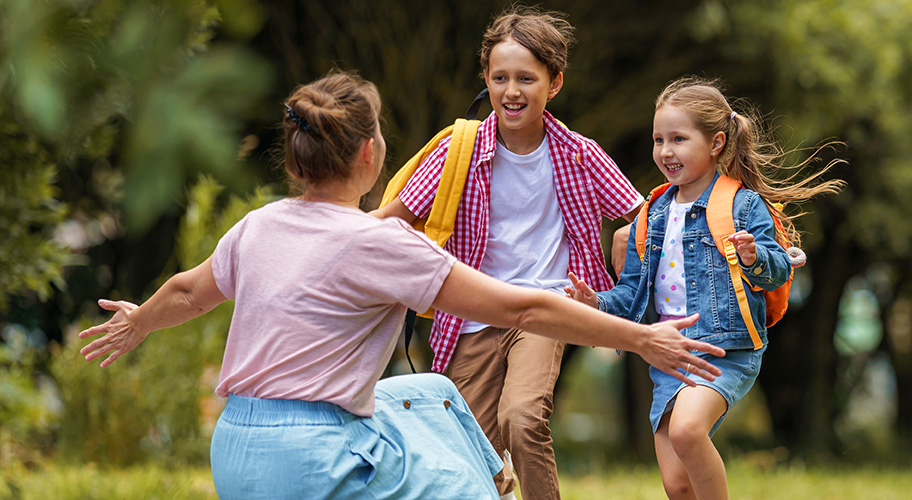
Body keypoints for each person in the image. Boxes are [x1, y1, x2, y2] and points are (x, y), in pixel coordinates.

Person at [78, 69, 726, 500]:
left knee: (433, 393)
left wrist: (139, 322)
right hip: (313, 460)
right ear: (369, 154)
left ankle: (497, 479)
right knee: (458, 490)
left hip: (236, 450)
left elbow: (189, 293)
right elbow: (526, 308)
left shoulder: (260, 226)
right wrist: (641, 338)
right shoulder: (380, 245)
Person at [374, 7, 643, 500]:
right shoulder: (460, 152)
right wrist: (320, 242)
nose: (511, 91)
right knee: (467, 448)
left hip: (544, 309)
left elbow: (646, 217)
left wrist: (629, 240)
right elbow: (393, 219)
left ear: (554, 83)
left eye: (526, 78)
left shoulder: (581, 155)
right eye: (500, 78)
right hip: (471, 316)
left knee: (521, 417)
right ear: (486, 79)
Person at [566, 77, 844, 500]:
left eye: (679, 138)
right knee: (678, 485)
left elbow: (776, 273)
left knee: (688, 430)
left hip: (724, 349)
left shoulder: (742, 205)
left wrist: (754, 256)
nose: (665, 151)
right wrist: (596, 302)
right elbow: (632, 294)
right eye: (658, 139)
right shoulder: (651, 215)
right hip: (669, 355)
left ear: (715, 143)